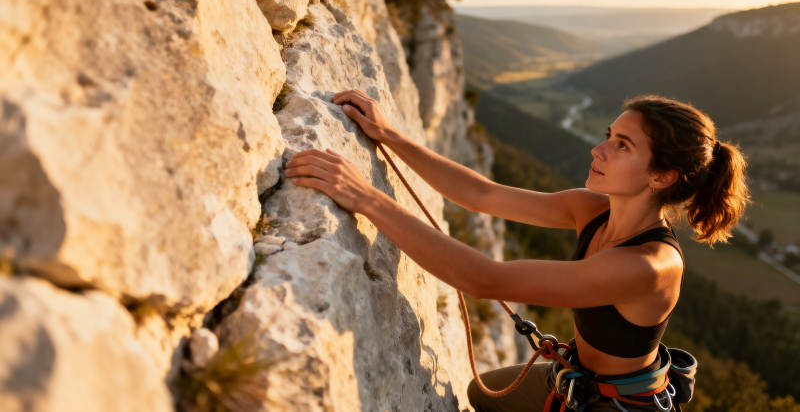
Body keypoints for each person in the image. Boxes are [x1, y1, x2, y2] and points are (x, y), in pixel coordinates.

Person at [285, 90, 749, 411]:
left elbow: (486, 280)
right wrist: (392, 136)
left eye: (621, 145)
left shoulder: (650, 266)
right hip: (577, 380)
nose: (598, 149)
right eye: (609, 134)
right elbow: (483, 196)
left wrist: (366, 198)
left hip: (617, 405)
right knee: (484, 395)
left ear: (662, 176)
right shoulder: (592, 210)